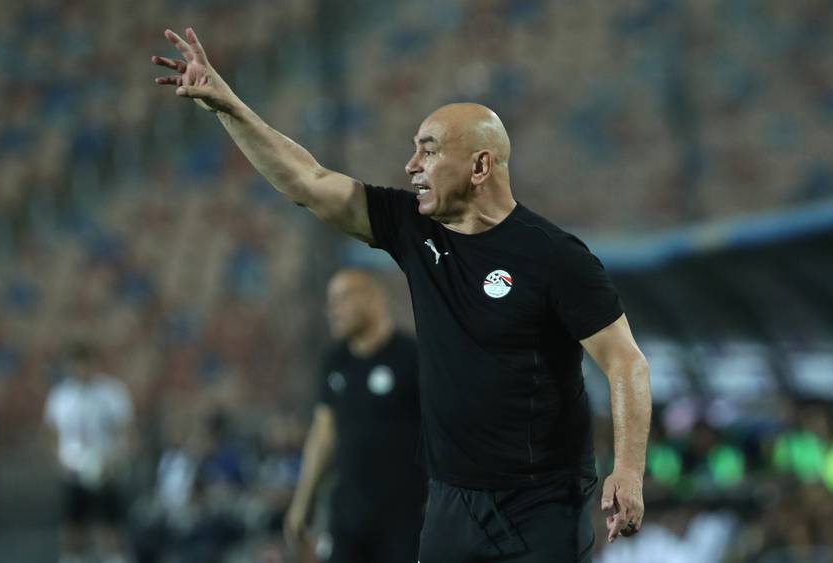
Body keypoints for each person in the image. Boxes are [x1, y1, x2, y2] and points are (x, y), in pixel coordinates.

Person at [151, 27, 652, 562]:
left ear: (480, 166)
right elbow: (308, 181)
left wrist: (628, 470)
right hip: (451, 505)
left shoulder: (554, 256)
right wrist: (228, 107)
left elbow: (625, 362)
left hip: (541, 504)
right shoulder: (414, 229)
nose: (411, 165)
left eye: (428, 152)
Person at [284, 269, 424, 563]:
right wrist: (303, 500)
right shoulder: (335, 361)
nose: (333, 309)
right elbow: (323, 433)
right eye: (330, 301)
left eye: (343, 298)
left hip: (404, 517)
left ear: (374, 299)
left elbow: (437, 433)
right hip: (347, 516)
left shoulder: (411, 357)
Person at [44, 342, 136, 563]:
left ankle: (114, 557)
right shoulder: (61, 395)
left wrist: (118, 459)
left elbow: (125, 429)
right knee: (73, 524)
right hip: (73, 468)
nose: (81, 370)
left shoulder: (112, 392)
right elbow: (52, 432)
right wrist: (59, 461)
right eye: (76, 364)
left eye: (85, 364)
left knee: (110, 523)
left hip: (105, 468)